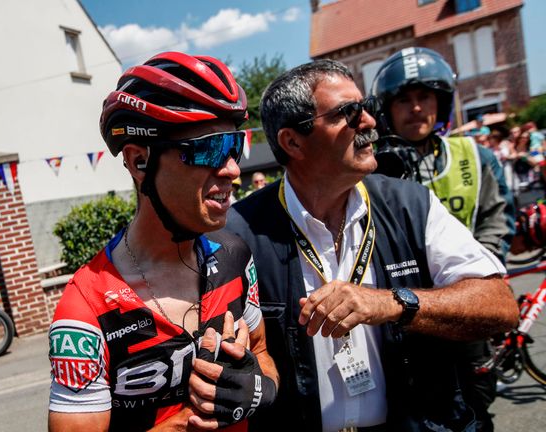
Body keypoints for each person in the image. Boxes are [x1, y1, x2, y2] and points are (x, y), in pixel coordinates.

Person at [225, 59, 519, 431]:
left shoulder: (411, 204)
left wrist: (391, 303)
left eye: (366, 108)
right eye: (347, 112)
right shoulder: (238, 233)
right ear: (293, 142)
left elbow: (500, 304)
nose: (369, 122)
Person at [48, 52, 278, 432]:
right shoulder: (84, 308)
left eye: (234, 145)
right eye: (210, 148)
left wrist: (261, 386)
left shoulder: (235, 255)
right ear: (140, 161)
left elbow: (262, 352)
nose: (233, 168)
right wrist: (188, 420)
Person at [371, 47, 515, 432]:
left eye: (425, 97)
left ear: (442, 102)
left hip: (464, 305)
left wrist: (474, 282)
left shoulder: (475, 156)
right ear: (388, 107)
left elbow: (496, 221)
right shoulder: (372, 165)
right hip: (401, 313)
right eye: (404, 99)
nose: (416, 108)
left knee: (475, 403)